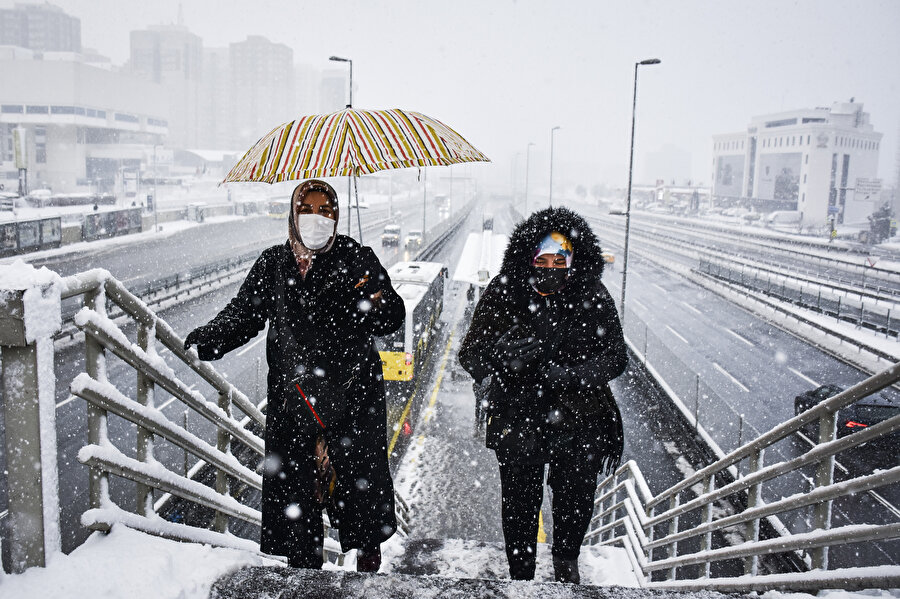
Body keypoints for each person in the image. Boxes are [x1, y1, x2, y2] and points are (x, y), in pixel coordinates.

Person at [183, 179, 404, 572]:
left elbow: (392, 317)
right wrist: (210, 338)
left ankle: (368, 585)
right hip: (295, 406)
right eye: (308, 209)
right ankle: (307, 585)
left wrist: (375, 297)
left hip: (351, 405)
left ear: (337, 217)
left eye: (327, 211)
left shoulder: (357, 258)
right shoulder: (275, 263)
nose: (317, 218)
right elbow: (243, 315)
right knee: (298, 528)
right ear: (293, 215)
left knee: (362, 519)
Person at [458, 206, 628, 584]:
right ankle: (521, 578)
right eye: (543, 259)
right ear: (528, 257)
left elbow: (616, 356)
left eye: (560, 259)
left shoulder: (592, 294)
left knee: (574, 501)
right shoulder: (503, 291)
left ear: (573, 259)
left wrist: (571, 376)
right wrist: (502, 358)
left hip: (579, 420)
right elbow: (470, 353)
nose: (552, 267)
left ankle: (567, 567)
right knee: (519, 506)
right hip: (519, 419)